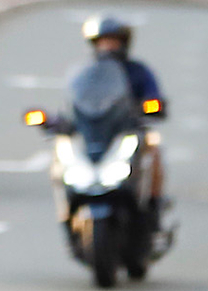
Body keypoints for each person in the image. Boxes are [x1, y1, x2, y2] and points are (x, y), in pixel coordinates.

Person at [82, 15, 167, 204]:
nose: (108, 47)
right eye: (104, 42)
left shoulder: (138, 70)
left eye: (113, 41)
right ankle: (66, 209)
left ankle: (153, 201)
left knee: (153, 146)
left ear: (123, 43)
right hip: (96, 133)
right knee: (62, 150)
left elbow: (154, 98)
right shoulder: (87, 72)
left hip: (129, 129)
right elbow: (75, 101)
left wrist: (150, 107)